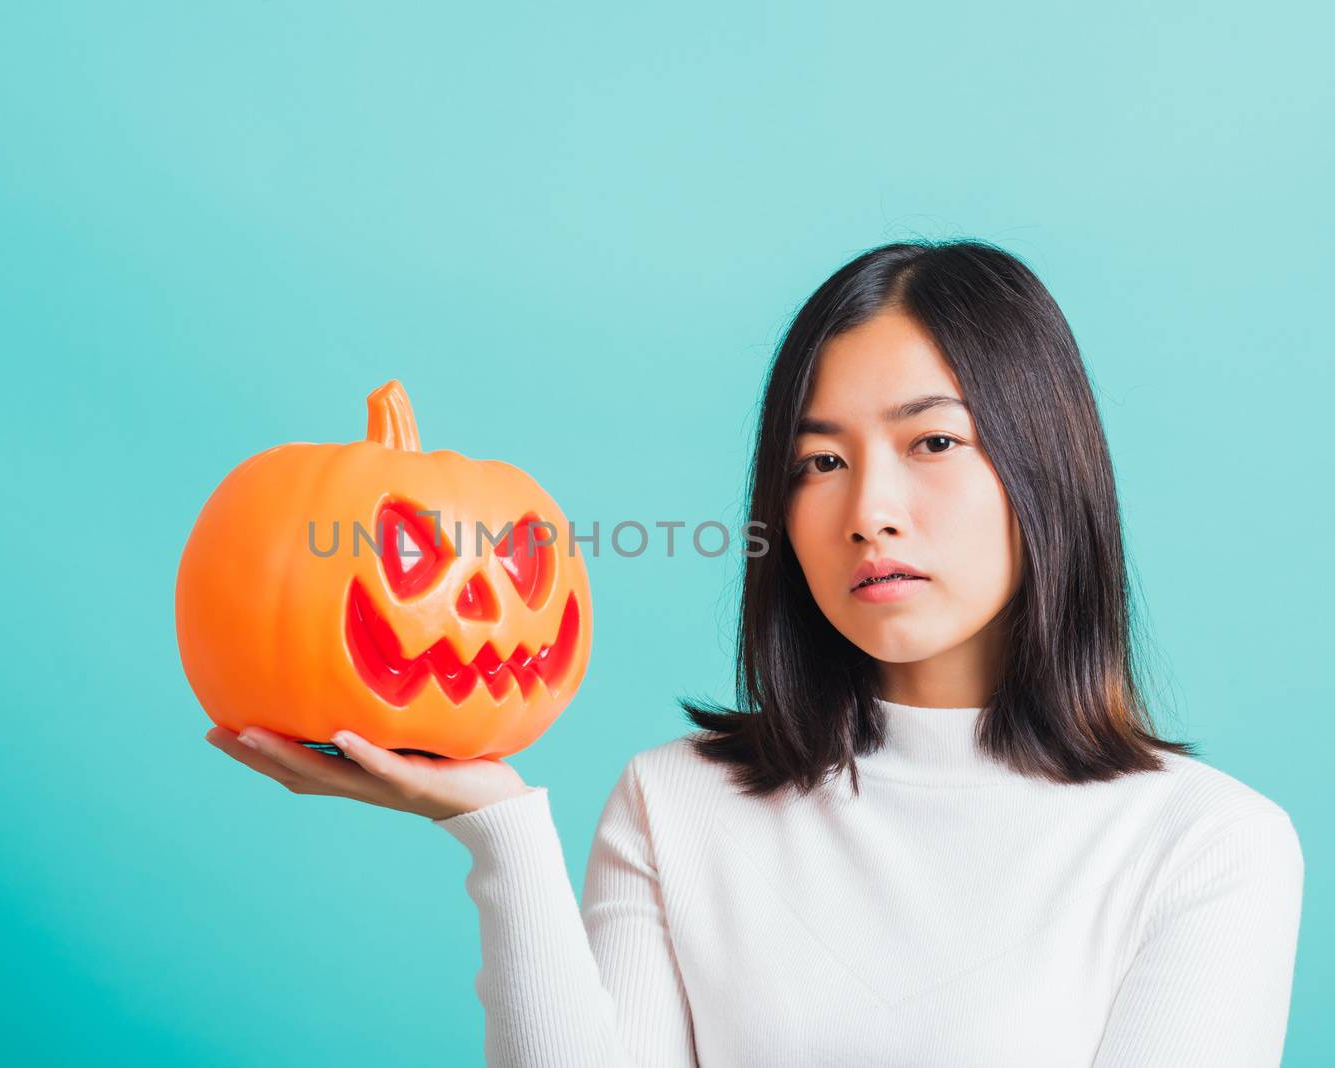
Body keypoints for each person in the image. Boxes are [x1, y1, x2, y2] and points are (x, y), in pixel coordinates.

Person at [204, 239, 1304, 1067]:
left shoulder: (1211, 850)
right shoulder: (674, 805)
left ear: (1043, 471)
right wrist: (496, 829)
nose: (869, 511)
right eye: (818, 462)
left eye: (932, 443)